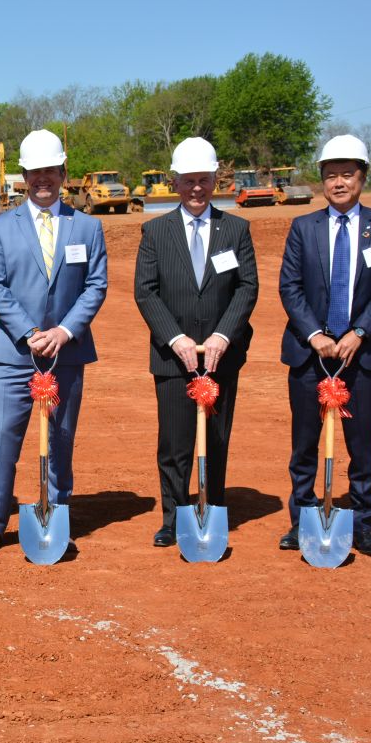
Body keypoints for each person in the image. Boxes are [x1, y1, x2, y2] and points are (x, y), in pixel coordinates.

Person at [0, 129, 108, 556]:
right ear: (24, 177)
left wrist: (64, 331)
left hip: (66, 352)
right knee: (3, 437)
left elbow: (95, 285)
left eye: (51, 170)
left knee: (61, 436)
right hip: (14, 352)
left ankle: (56, 514)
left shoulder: (87, 226)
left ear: (64, 173)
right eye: (35, 172)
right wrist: (30, 333)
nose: (43, 179)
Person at [278, 134, 371, 557]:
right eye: (330, 175)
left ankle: (364, 523)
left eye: (347, 174)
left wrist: (358, 333)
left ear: (363, 178)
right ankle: (303, 519)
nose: (338, 183)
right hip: (308, 353)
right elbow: (290, 286)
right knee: (304, 441)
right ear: (321, 181)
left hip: (361, 354)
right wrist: (315, 334)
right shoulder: (303, 227)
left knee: (361, 440)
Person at [134, 137, 259, 548]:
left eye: (204, 180)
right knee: (174, 441)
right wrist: (176, 338)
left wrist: (224, 334)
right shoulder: (155, 231)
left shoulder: (236, 229)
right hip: (173, 358)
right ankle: (173, 517)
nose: (196, 189)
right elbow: (146, 292)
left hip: (223, 355)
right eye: (188, 181)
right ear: (175, 181)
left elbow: (246, 287)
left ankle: (213, 508)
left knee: (217, 439)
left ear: (215, 179)